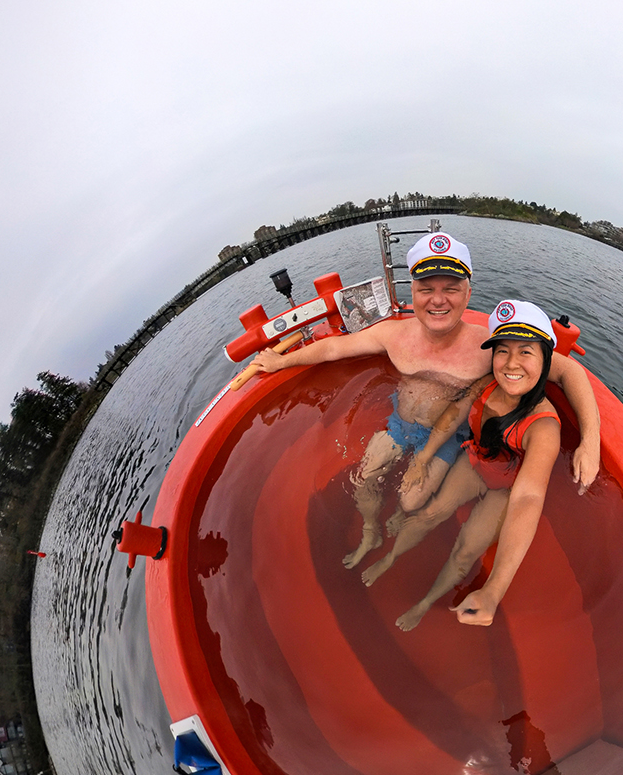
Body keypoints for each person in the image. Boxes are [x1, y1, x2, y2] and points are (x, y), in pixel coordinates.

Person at [247, 233, 601, 566]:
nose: (438, 299)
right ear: (413, 292)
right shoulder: (393, 334)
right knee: (362, 479)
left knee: (410, 499)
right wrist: (281, 361)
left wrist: (590, 441)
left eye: (451, 288)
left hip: (449, 437)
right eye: (426, 289)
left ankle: (405, 518)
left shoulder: (490, 348)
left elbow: (569, 372)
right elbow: (335, 347)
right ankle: (371, 531)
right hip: (400, 425)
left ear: (467, 293)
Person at [360, 301, 563, 632]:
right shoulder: (486, 385)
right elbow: (453, 415)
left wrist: (494, 591)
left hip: (506, 489)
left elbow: (528, 497)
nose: (512, 363)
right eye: (502, 351)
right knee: (430, 512)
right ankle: (390, 558)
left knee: (466, 549)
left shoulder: (543, 428)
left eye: (526, 352)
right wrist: (423, 458)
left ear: (545, 361)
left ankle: (424, 603)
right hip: (475, 463)